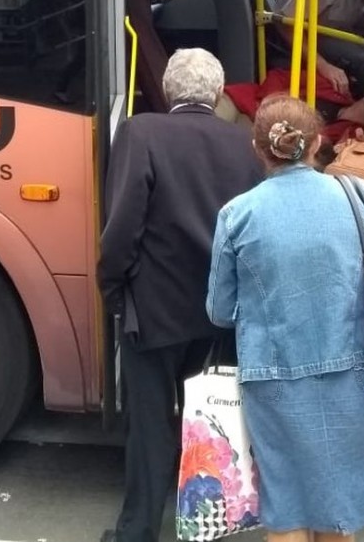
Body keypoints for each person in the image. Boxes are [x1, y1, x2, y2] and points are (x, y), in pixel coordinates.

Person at [207, 94, 364, 542]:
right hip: (355, 374)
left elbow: (220, 312)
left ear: (257, 148)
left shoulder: (236, 214)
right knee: (337, 508)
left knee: (286, 508)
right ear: (318, 142)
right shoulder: (357, 195)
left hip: (273, 380)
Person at [98, 49, 265, 542]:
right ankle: (205, 526)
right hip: (219, 312)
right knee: (209, 422)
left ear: (168, 89)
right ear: (217, 94)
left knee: (150, 426)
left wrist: (113, 287)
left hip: (154, 308)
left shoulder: (141, 132)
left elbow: (122, 225)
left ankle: (137, 532)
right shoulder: (245, 143)